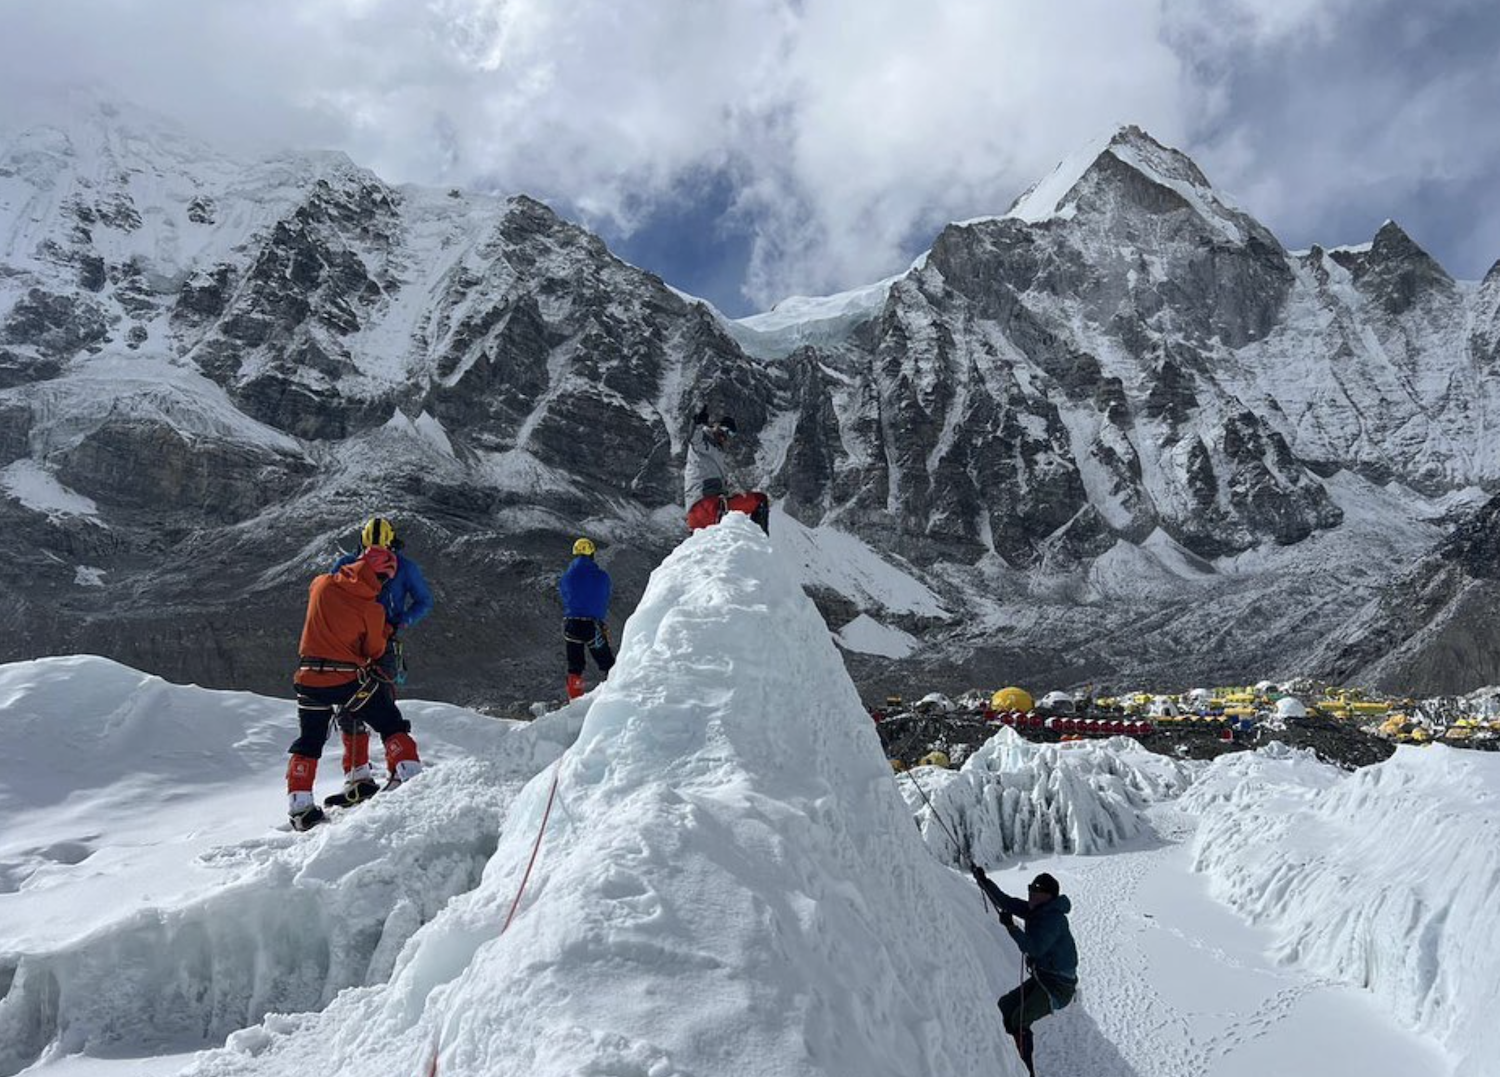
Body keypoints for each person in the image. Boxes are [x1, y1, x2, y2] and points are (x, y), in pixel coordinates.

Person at [288, 546, 423, 831]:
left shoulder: (322, 583)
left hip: (308, 678)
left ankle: (300, 807)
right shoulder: (371, 608)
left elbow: (318, 590)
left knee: (309, 740)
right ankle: (411, 777)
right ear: (381, 577)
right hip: (347, 680)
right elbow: (373, 649)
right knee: (389, 721)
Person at [328, 517, 433, 792]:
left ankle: (394, 771)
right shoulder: (352, 564)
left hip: (375, 640)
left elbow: (424, 601)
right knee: (350, 708)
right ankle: (359, 776)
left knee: (380, 702)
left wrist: (402, 621)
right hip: (356, 641)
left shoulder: (401, 568)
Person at [969, 866, 1078, 1076]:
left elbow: (1034, 947)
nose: (1032, 895)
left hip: (1058, 987)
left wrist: (1012, 927)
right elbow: (1005, 902)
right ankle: (1006, 1058)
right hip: (1045, 978)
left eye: (1037, 892)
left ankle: (1024, 1071)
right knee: (1004, 1006)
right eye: (1031, 890)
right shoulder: (1036, 910)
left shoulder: (1054, 919)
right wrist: (983, 880)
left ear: (1049, 897)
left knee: (1019, 1019)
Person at [683, 407, 770, 533]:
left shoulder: (718, 452)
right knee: (759, 500)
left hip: (699, 515)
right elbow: (693, 438)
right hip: (705, 506)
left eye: (730, 434)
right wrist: (697, 423)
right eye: (725, 431)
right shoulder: (703, 442)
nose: (726, 436)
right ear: (717, 426)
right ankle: (760, 541)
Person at [558, 537, 615, 699]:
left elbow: (564, 595)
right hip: (592, 625)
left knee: (575, 666)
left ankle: (575, 700)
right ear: (592, 554)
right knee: (607, 663)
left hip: (571, 625)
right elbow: (604, 595)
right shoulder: (601, 576)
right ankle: (616, 693)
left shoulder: (567, 577)